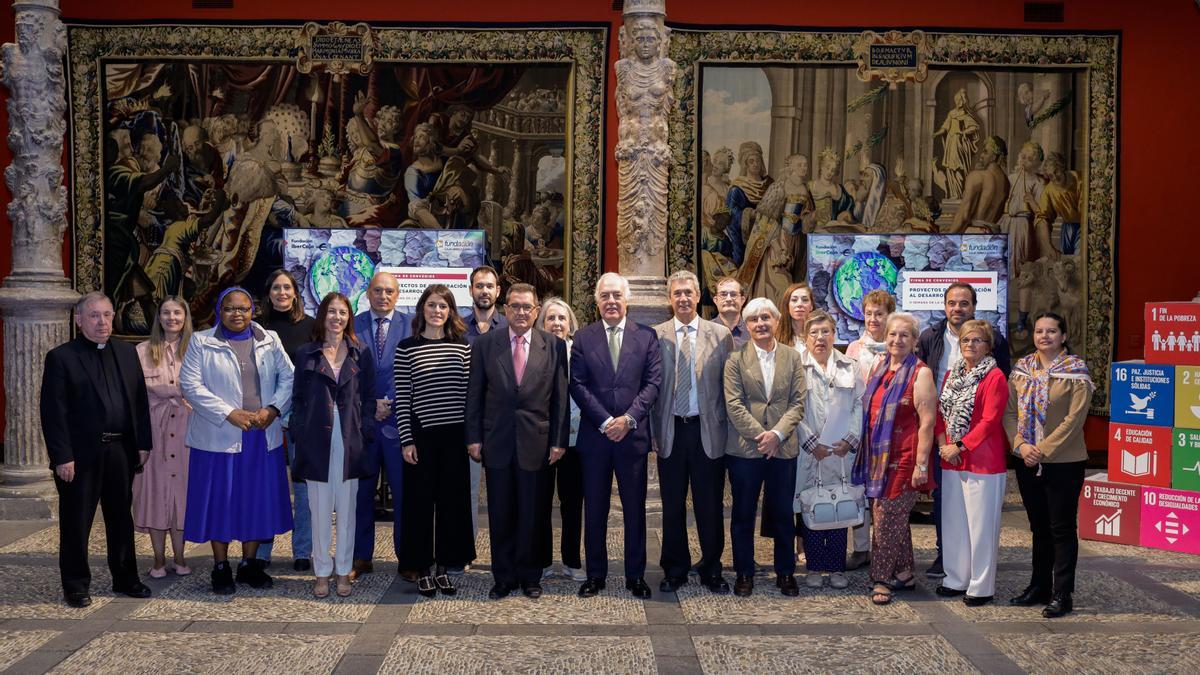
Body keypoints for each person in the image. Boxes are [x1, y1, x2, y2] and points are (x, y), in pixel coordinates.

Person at [41, 292, 153, 608]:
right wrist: (62, 456)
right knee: (77, 522)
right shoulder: (61, 357)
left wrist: (143, 442)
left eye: (106, 314)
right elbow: (53, 412)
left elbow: (140, 402)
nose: (102, 321)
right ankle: (75, 585)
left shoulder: (127, 352)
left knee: (121, 519)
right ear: (79, 321)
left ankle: (126, 577)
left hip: (120, 450)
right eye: (94, 316)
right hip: (80, 456)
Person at [180, 286, 295, 595]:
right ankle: (221, 566)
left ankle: (249, 564)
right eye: (230, 308)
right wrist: (229, 412)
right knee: (221, 500)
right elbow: (190, 385)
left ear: (252, 310)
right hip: (219, 438)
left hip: (260, 435)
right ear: (220, 311)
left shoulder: (269, 340)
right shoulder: (201, 342)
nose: (237, 314)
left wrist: (273, 409)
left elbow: (289, 377)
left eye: (244, 308)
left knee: (254, 501)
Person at [467, 283, 569, 599]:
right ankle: (504, 576)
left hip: (537, 443)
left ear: (536, 311)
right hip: (496, 441)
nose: (521, 312)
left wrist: (558, 441)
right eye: (515, 306)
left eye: (527, 307)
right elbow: (474, 395)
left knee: (533, 513)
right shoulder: (486, 345)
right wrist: (473, 437)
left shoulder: (552, 345)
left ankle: (530, 576)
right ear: (505, 308)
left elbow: (560, 399)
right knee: (500, 512)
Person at [570, 272, 662, 599]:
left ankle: (635, 576)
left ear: (627, 300)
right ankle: (595, 575)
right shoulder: (583, 338)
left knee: (635, 509)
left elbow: (652, 384)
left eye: (616, 296)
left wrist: (628, 419)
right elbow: (577, 384)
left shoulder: (646, 337)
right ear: (597, 302)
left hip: (632, 437)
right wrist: (606, 420)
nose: (611, 301)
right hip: (596, 438)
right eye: (605, 296)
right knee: (594, 509)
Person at [916, 282, 1010, 579]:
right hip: (941, 433)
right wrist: (945, 442)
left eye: (964, 303)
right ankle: (948, 557)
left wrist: (962, 443)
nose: (958, 308)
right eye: (952, 303)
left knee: (979, 514)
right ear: (945, 306)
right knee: (947, 502)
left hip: (979, 444)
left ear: (973, 306)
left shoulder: (995, 347)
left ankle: (977, 572)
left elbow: (995, 406)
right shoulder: (930, 337)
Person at [651, 271, 735, 595]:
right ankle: (675, 568)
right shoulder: (656, 335)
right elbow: (652, 388)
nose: (683, 298)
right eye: (677, 293)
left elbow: (730, 388)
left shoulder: (720, 335)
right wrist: (652, 431)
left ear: (699, 296)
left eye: (689, 292)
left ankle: (712, 567)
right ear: (669, 299)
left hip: (708, 430)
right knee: (672, 505)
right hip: (671, 428)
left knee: (709, 504)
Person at [1004, 312, 1093, 618]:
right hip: (1027, 460)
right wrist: (1021, 446)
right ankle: (1038, 586)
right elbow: (1009, 413)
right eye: (1039, 331)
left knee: (1062, 528)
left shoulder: (1076, 372)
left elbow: (1075, 419)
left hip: (1063, 462)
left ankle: (1062, 592)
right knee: (1038, 527)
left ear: (1063, 336)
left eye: (1051, 331)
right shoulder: (1022, 370)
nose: (1044, 336)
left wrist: (1041, 449)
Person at [291, 293, 375, 598]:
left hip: (350, 439)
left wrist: (365, 432)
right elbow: (297, 399)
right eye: (331, 312)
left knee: (348, 510)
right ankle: (322, 573)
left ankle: (343, 572)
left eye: (342, 313)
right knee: (319, 510)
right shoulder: (306, 354)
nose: (336, 318)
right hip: (317, 440)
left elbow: (367, 398)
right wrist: (300, 434)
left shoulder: (359, 353)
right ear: (322, 315)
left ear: (349, 318)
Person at [397, 284, 476, 597]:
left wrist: (472, 438)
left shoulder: (462, 347)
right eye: (431, 305)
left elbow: (471, 397)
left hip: (455, 438)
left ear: (451, 311)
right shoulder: (407, 347)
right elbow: (403, 398)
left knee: (451, 506)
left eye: (443, 306)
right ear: (422, 310)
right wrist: (407, 440)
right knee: (418, 507)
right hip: (421, 438)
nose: (437, 311)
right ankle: (422, 569)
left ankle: (444, 568)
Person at [723, 297, 805, 597]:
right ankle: (744, 572)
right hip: (746, 450)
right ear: (746, 325)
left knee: (783, 513)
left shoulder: (792, 357)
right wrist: (763, 436)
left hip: (783, 450)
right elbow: (733, 404)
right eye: (754, 319)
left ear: (776, 321)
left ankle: (785, 572)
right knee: (743, 513)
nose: (760, 323)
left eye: (766, 318)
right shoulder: (735, 360)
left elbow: (798, 403)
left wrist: (778, 435)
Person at [856, 312, 937, 606]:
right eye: (892, 334)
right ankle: (903, 573)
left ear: (915, 340)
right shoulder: (880, 368)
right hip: (879, 459)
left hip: (906, 458)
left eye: (904, 335)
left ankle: (881, 578)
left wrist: (922, 464)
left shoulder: (921, 373)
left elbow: (927, 423)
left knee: (887, 517)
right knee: (893, 517)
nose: (897, 340)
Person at [933, 319, 1009, 606]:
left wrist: (960, 446)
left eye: (978, 340)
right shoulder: (951, 374)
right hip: (951, 458)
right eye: (966, 340)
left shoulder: (995, 377)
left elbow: (990, 420)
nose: (971, 345)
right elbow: (940, 412)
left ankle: (981, 585)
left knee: (981, 526)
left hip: (983, 461)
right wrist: (944, 445)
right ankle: (955, 578)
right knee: (954, 523)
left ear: (988, 346)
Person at [350, 272, 412, 581]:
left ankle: (408, 558)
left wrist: (391, 401)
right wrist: (371, 403)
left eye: (389, 291)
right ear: (368, 292)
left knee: (405, 494)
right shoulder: (353, 324)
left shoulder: (411, 324)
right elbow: (346, 372)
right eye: (377, 290)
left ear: (398, 294)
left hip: (400, 425)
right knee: (361, 494)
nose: (383, 296)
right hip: (364, 424)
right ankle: (361, 557)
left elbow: (416, 370)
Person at [795, 311, 862, 590]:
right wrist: (810, 441)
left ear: (834, 334)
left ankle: (835, 567)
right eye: (814, 333)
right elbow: (791, 407)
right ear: (805, 337)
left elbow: (860, 403)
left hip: (840, 450)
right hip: (809, 450)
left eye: (825, 332)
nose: (820, 338)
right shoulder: (796, 366)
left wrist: (850, 438)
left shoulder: (851, 366)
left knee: (839, 504)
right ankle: (814, 565)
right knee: (811, 505)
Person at [256, 270, 316, 572]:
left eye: (287, 288)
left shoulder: (310, 327)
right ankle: (262, 550)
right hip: (264, 417)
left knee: (303, 487)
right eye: (276, 287)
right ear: (269, 293)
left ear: (295, 293)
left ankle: (302, 550)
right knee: (267, 485)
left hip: (300, 418)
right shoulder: (256, 329)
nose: (281, 293)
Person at [133, 296, 194, 578]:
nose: (172, 318)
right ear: (159, 317)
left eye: (177, 313)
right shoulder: (141, 351)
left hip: (186, 431)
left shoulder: (197, 349)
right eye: (166, 313)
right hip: (154, 432)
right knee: (155, 493)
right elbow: (133, 397)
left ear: (185, 317)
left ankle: (180, 557)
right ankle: (158, 559)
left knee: (181, 494)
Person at [842, 289, 895, 570]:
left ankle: (884, 548)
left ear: (890, 316)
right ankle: (861, 548)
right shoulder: (853, 348)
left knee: (884, 491)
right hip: (860, 429)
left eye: (880, 314)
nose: (873, 319)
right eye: (869, 314)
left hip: (887, 428)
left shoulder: (898, 347)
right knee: (859, 488)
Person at [535, 297, 586, 582]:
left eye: (561, 318)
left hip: (576, 439)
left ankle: (571, 560)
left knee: (572, 503)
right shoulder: (533, 351)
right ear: (542, 323)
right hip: (541, 439)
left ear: (570, 324)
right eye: (551, 318)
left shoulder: (579, 352)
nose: (556, 323)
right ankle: (542, 561)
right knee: (540, 502)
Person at [460, 265, 507, 572]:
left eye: (490, 286)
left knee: (504, 494)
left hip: (503, 424)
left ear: (498, 291)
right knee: (466, 493)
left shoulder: (509, 328)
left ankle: (504, 556)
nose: (484, 291)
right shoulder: (457, 328)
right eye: (479, 286)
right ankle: (466, 552)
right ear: (471, 290)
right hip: (469, 425)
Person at [775, 281, 814, 357]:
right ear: (787, 305)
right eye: (794, 300)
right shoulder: (775, 337)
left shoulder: (820, 336)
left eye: (805, 300)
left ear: (811, 306)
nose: (799, 304)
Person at [713, 276, 750, 348]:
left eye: (733, 294)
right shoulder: (703, 332)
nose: (728, 299)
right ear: (715, 300)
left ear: (742, 300)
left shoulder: (754, 332)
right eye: (723, 294)